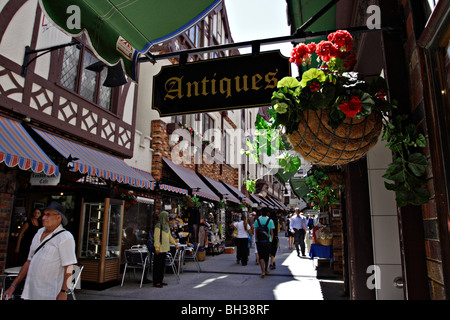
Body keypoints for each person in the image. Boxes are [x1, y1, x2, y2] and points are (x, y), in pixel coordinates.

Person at [3, 201, 77, 300]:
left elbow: (70, 267)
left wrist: (64, 292)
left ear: (58, 217)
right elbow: (29, 262)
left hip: (49, 294)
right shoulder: (39, 232)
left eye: (48, 215)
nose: (43, 217)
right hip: (30, 292)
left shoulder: (65, 237)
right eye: (44, 214)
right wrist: (13, 286)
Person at [153, 211, 178, 288]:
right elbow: (156, 238)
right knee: (157, 266)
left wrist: (175, 244)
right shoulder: (158, 226)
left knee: (162, 266)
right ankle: (156, 282)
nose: (168, 218)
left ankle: (160, 281)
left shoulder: (167, 226)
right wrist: (157, 247)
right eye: (166, 216)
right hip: (159, 249)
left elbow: (170, 237)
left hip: (165, 249)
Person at [254, 207, 274, 278]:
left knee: (261, 256)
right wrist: (271, 240)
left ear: (261, 213)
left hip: (259, 241)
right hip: (267, 241)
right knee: (266, 256)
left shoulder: (257, 221)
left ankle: (262, 271)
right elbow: (271, 232)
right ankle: (266, 269)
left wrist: (256, 240)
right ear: (267, 213)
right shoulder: (270, 221)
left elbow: (256, 232)